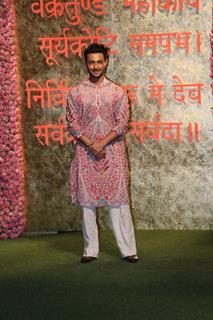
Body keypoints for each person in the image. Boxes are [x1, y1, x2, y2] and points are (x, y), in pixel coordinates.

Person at [66, 43, 139, 263]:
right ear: (86, 63)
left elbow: (122, 123)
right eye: (91, 62)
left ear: (106, 62)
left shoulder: (118, 93)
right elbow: (72, 123)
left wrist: (102, 143)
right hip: (86, 154)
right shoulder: (76, 93)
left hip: (112, 153)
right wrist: (90, 143)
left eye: (100, 62)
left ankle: (128, 250)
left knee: (118, 203)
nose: (96, 66)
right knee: (88, 204)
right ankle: (90, 250)